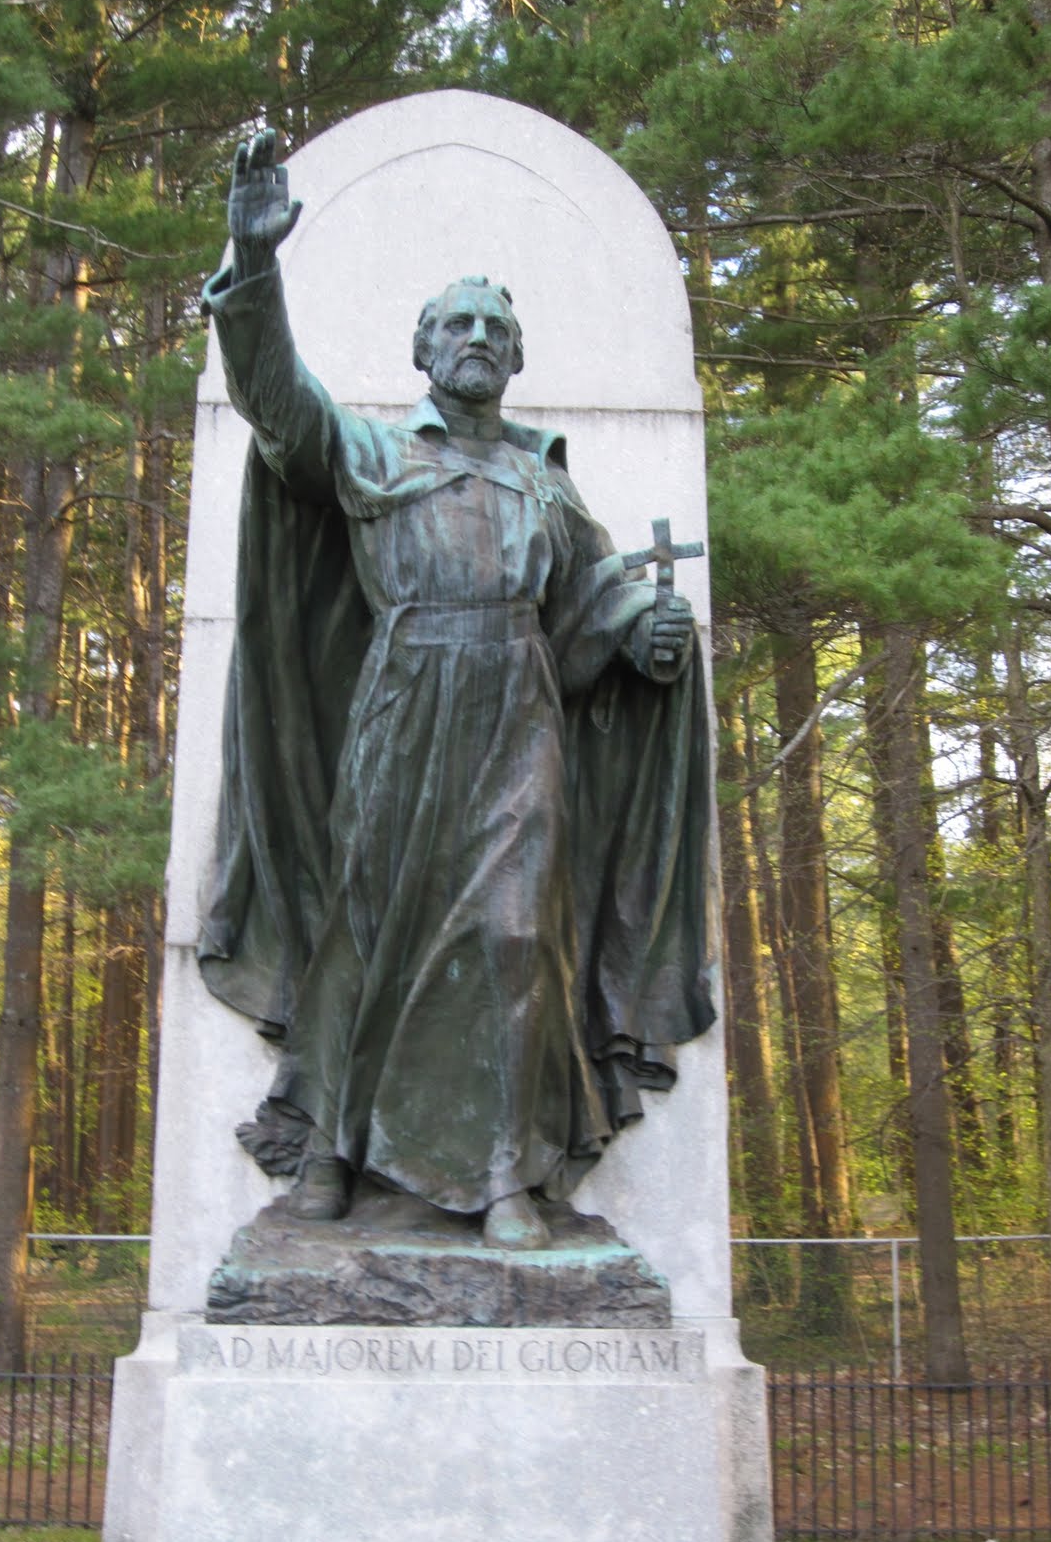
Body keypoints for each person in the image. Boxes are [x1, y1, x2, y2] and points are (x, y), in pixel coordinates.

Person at [198, 130, 714, 1250]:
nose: (477, 338)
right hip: (402, 705)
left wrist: (648, 637)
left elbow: (595, 606)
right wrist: (254, 263)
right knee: (363, 925)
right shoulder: (377, 455)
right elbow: (279, 405)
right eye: (457, 324)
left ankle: (506, 1180)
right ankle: (329, 1155)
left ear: (515, 358)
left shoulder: (547, 484)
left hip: (518, 715)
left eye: (495, 327)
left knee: (515, 936)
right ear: (424, 350)